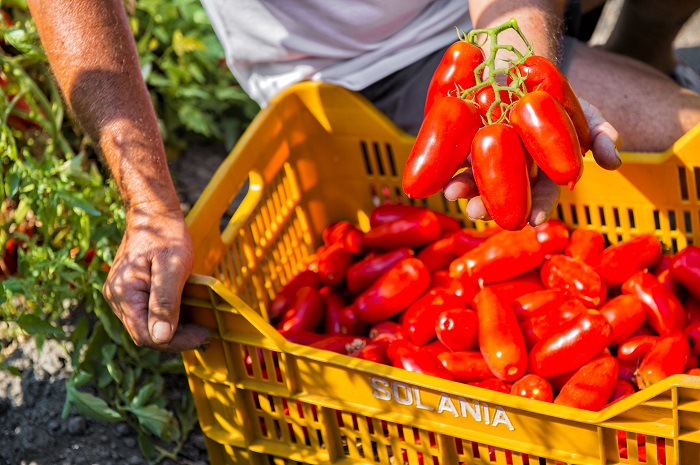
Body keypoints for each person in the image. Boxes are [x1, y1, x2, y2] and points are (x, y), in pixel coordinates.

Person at [27, 0, 700, 352]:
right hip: (371, 64)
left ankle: (637, 48)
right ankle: (620, 67)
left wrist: (522, 72)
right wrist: (149, 207)